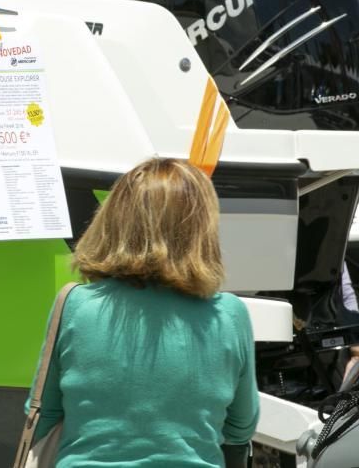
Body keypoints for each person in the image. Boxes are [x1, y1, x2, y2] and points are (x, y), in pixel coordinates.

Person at [27, 158, 259, 467]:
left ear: (115, 219)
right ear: (201, 228)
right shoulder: (228, 315)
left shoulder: (76, 305)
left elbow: (43, 414)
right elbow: (241, 426)